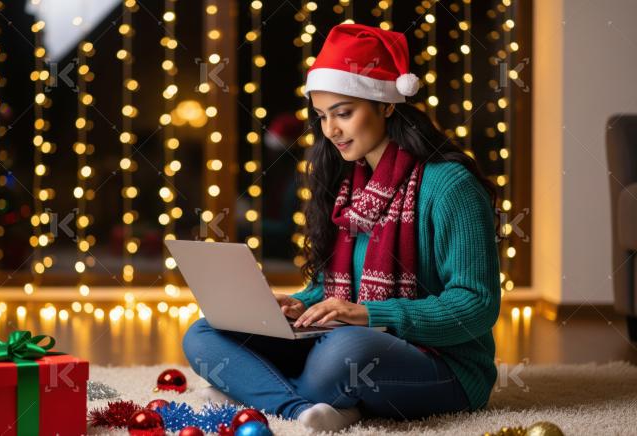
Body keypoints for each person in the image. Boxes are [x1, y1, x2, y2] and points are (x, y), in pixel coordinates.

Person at [182, 23, 501, 433]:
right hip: (347, 339)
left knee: (343, 351)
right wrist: (299, 306)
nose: (330, 130)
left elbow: (477, 305)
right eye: (322, 116)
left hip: (441, 363)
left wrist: (370, 313)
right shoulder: (347, 183)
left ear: (386, 105)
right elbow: (331, 290)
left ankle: (255, 393)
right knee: (205, 333)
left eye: (344, 113)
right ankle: (303, 409)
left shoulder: (451, 186)